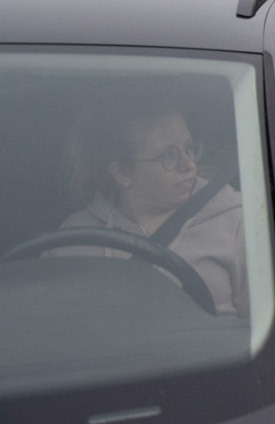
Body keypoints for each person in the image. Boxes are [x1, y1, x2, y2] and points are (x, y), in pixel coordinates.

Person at [62, 107, 248, 316]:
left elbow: (266, 326)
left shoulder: (239, 221)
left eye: (189, 148)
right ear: (122, 173)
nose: (189, 164)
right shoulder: (73, 241)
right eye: (169, 155)